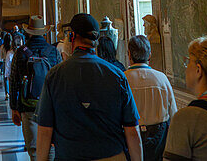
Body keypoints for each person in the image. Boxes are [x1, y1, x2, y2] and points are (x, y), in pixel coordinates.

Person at [34, 13, 142, 161]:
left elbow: (45, 130)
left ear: (72, 37)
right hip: (112, 155)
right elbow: (132, 129)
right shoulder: (117, 75)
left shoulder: (55, 76)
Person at [9, 17, 61, 161]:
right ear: (44, 33)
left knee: (34, 149)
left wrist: (14, 108)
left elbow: (14, 82)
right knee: (51, 146)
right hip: (50, 105)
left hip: (27, 105)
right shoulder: (53, 52)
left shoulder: (20, 52)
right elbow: (59, 81)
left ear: (29, 32)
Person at [124, 35, 176, 161]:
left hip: (130, 135)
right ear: (149, 55)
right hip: (159, 136)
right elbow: (173, 113)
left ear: (129, 54)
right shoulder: (161, 78)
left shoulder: (122, 79)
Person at [1, 32, 17, 99]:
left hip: (5, 62)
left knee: (5, 79)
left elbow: (1, 56)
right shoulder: (12, 47)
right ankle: (12, 92)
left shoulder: (3, 46)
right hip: (13, 62)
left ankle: (7, 93)